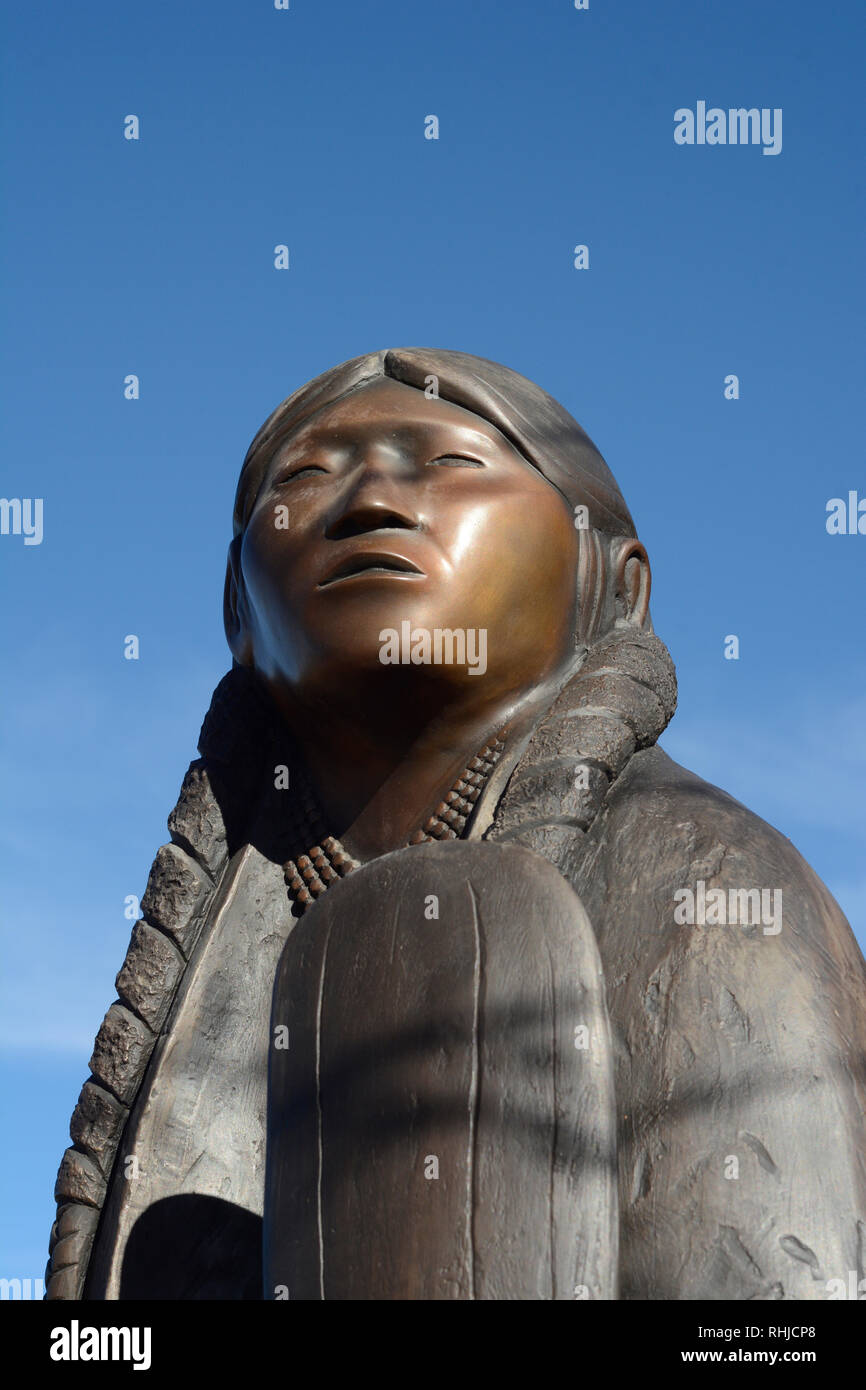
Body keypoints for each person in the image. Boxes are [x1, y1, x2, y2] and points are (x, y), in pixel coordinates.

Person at [47, 349, 866, 1300]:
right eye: (309, 475)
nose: (369, 504)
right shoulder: (222, 921)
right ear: (235, 604)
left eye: (448, 464)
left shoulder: (715, 889)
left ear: (617, 585)